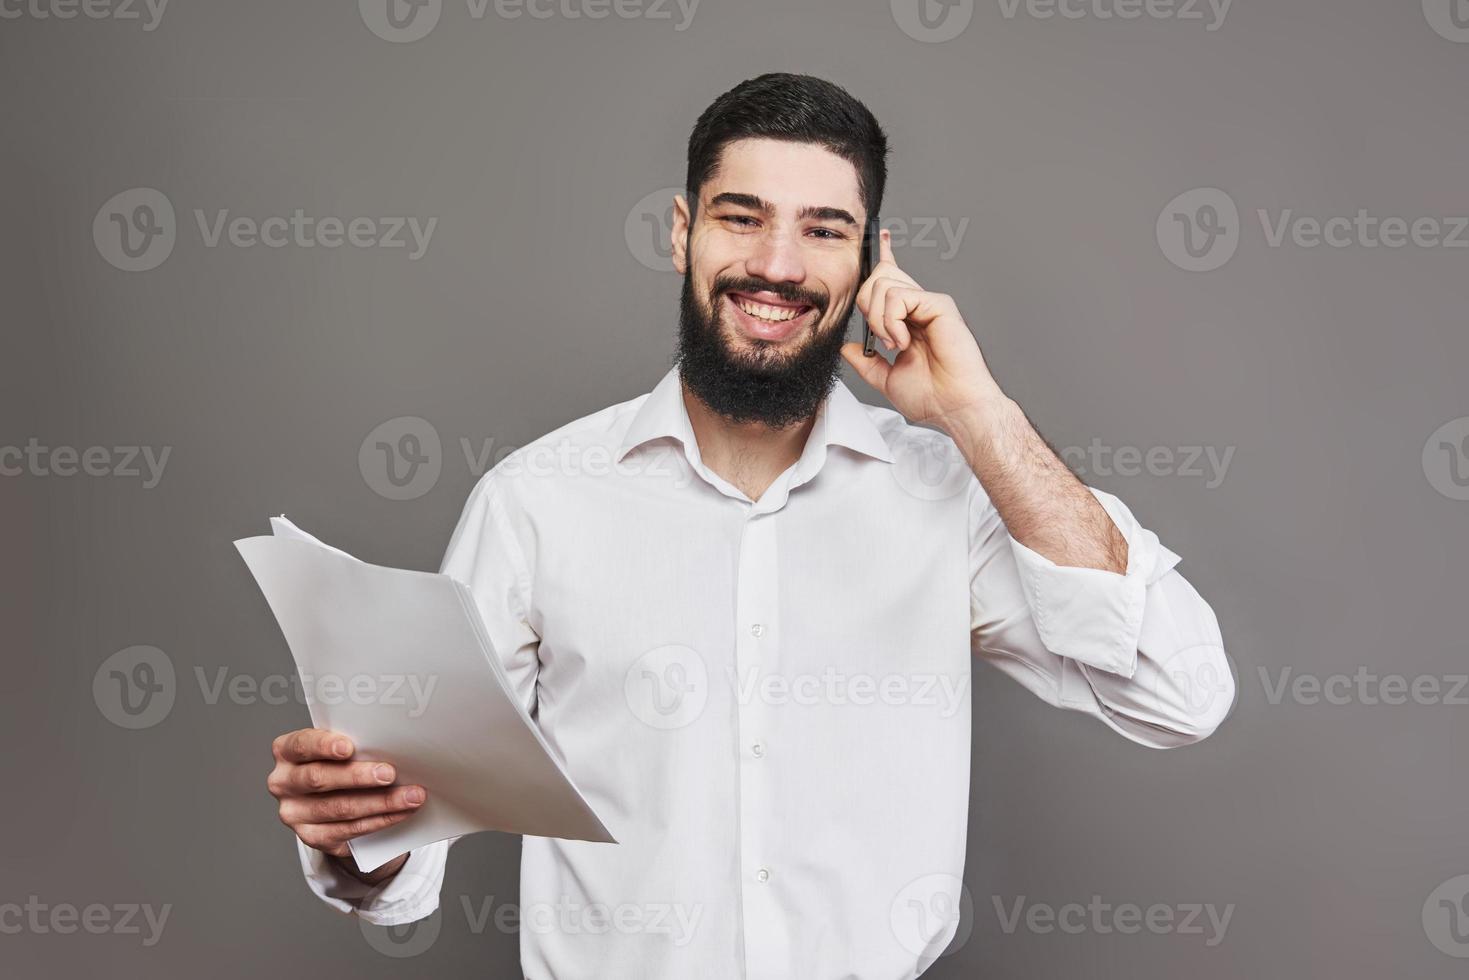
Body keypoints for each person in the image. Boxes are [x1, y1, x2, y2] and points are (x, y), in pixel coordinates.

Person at [265, 72, 1234, 979]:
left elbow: (1178, 694)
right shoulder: (536, 502)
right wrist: (356, 825)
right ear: (679, 231)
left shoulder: (947, 496)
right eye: (741, 217)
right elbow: (402, 873)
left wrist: (979, 417)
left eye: (822, 230)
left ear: (868, 260)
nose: (775, 265)